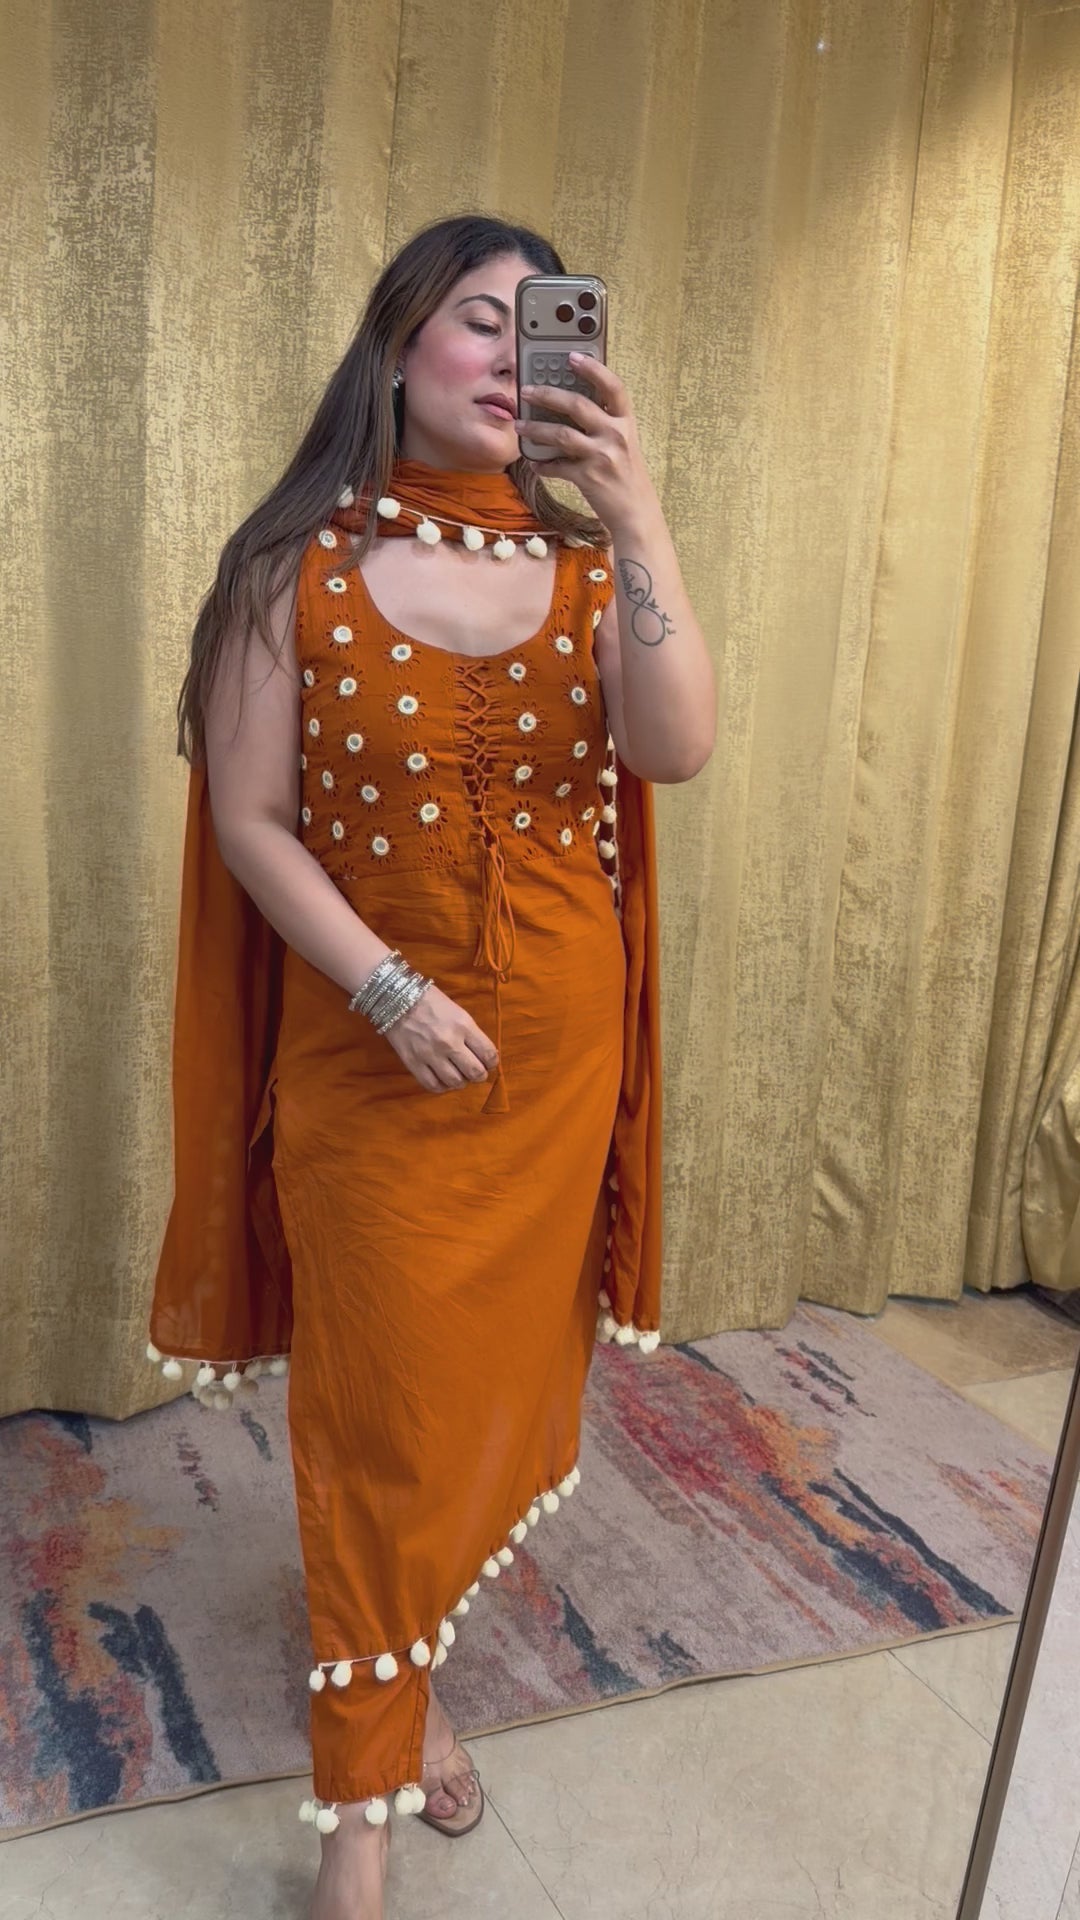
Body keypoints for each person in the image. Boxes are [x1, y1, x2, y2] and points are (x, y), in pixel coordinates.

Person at [145, 212, 716, 1919]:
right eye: (480, 320)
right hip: (373, 1060)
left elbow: (677, 747)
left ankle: (408, 1691)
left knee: (474, 1412)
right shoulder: (293, 568)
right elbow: (253, 822)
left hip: (555, 1072)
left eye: (546, 328)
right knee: (378, 1416)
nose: (512, 358)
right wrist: (389, 989)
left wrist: (637, 514)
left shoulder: (590, 573)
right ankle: (361, 1823)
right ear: (396, 346)